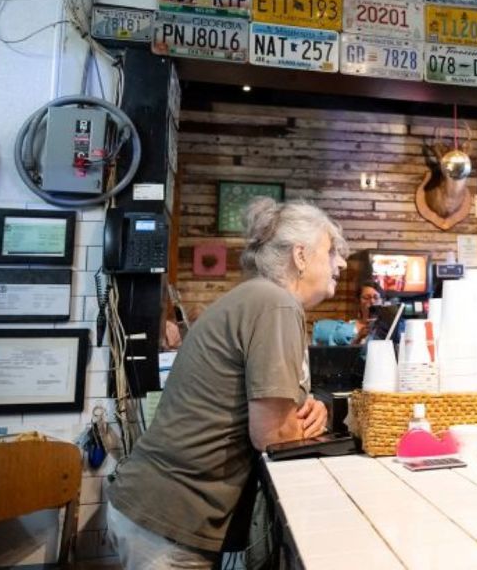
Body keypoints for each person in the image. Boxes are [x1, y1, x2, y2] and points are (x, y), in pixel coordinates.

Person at [106, 198, 348, 567]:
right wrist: (293, 425)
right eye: (331, 252)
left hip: (162, 508)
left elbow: (273, 408)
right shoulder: (275, 303)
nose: (341, 263)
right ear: (300, 255)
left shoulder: (258, 298)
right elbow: (272, 436)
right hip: (172, 516)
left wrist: (305, 410)